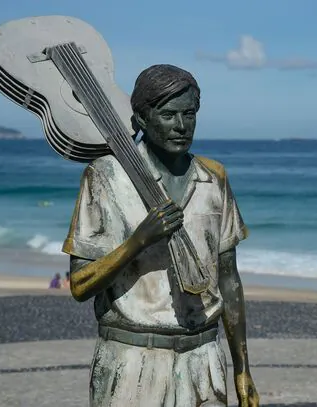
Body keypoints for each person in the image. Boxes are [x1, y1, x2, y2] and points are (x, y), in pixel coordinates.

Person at [62, 64, 258, 406]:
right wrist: (139, 241)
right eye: (168, 115)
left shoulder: (214, 177)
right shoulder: (106, 176)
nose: (181, 126)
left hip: (203, 360)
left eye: (189, 114)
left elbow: (229, 280)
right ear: (140, 120)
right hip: (132, 362)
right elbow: (80, 285)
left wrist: (242, 368)